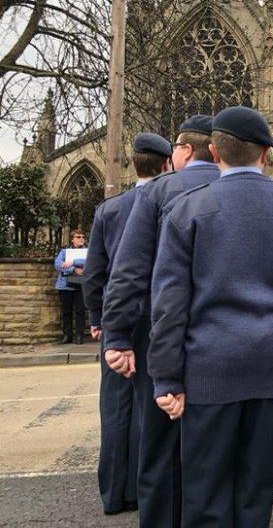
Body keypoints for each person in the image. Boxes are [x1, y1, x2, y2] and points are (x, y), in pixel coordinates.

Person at [146, 107, 273, 526]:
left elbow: (169, 302)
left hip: (209, 365)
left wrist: (167, 376)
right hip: (272, 363)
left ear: (213, 150)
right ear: (266, 154)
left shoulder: (188, 209)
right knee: (255, 492)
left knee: (205, 492)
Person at [101, 113, 219, 528]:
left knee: (157, 445)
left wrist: (116, 333)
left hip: (158, 332)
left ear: (185, 150)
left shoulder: (157, 192)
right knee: (208, 449)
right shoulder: (233, 189)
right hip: (215, 336)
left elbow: (129, 271)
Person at [82, 132, 172, 516]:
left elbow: (94, 274)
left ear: (133, 164)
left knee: (116, 407)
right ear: (167, 163)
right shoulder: (172, 201)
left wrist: (96, 319)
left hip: (118, 320)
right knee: (154, 405)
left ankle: (116, 494)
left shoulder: (110, 209)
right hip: (156, 318)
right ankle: (147, 490)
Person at [54, 230, 87, 344]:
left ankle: (79, 336)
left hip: (82, 286)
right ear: (72, 239)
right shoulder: (64, 252)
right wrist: (74, 269)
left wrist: (72, 261)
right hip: (65, 286)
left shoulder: (88, 251)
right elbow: (58, 265)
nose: (81, 239)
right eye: (78, 237)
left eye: (83, 237)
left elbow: (89, 262)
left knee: (80, 311)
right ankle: (67, 335)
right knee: (66, 312)